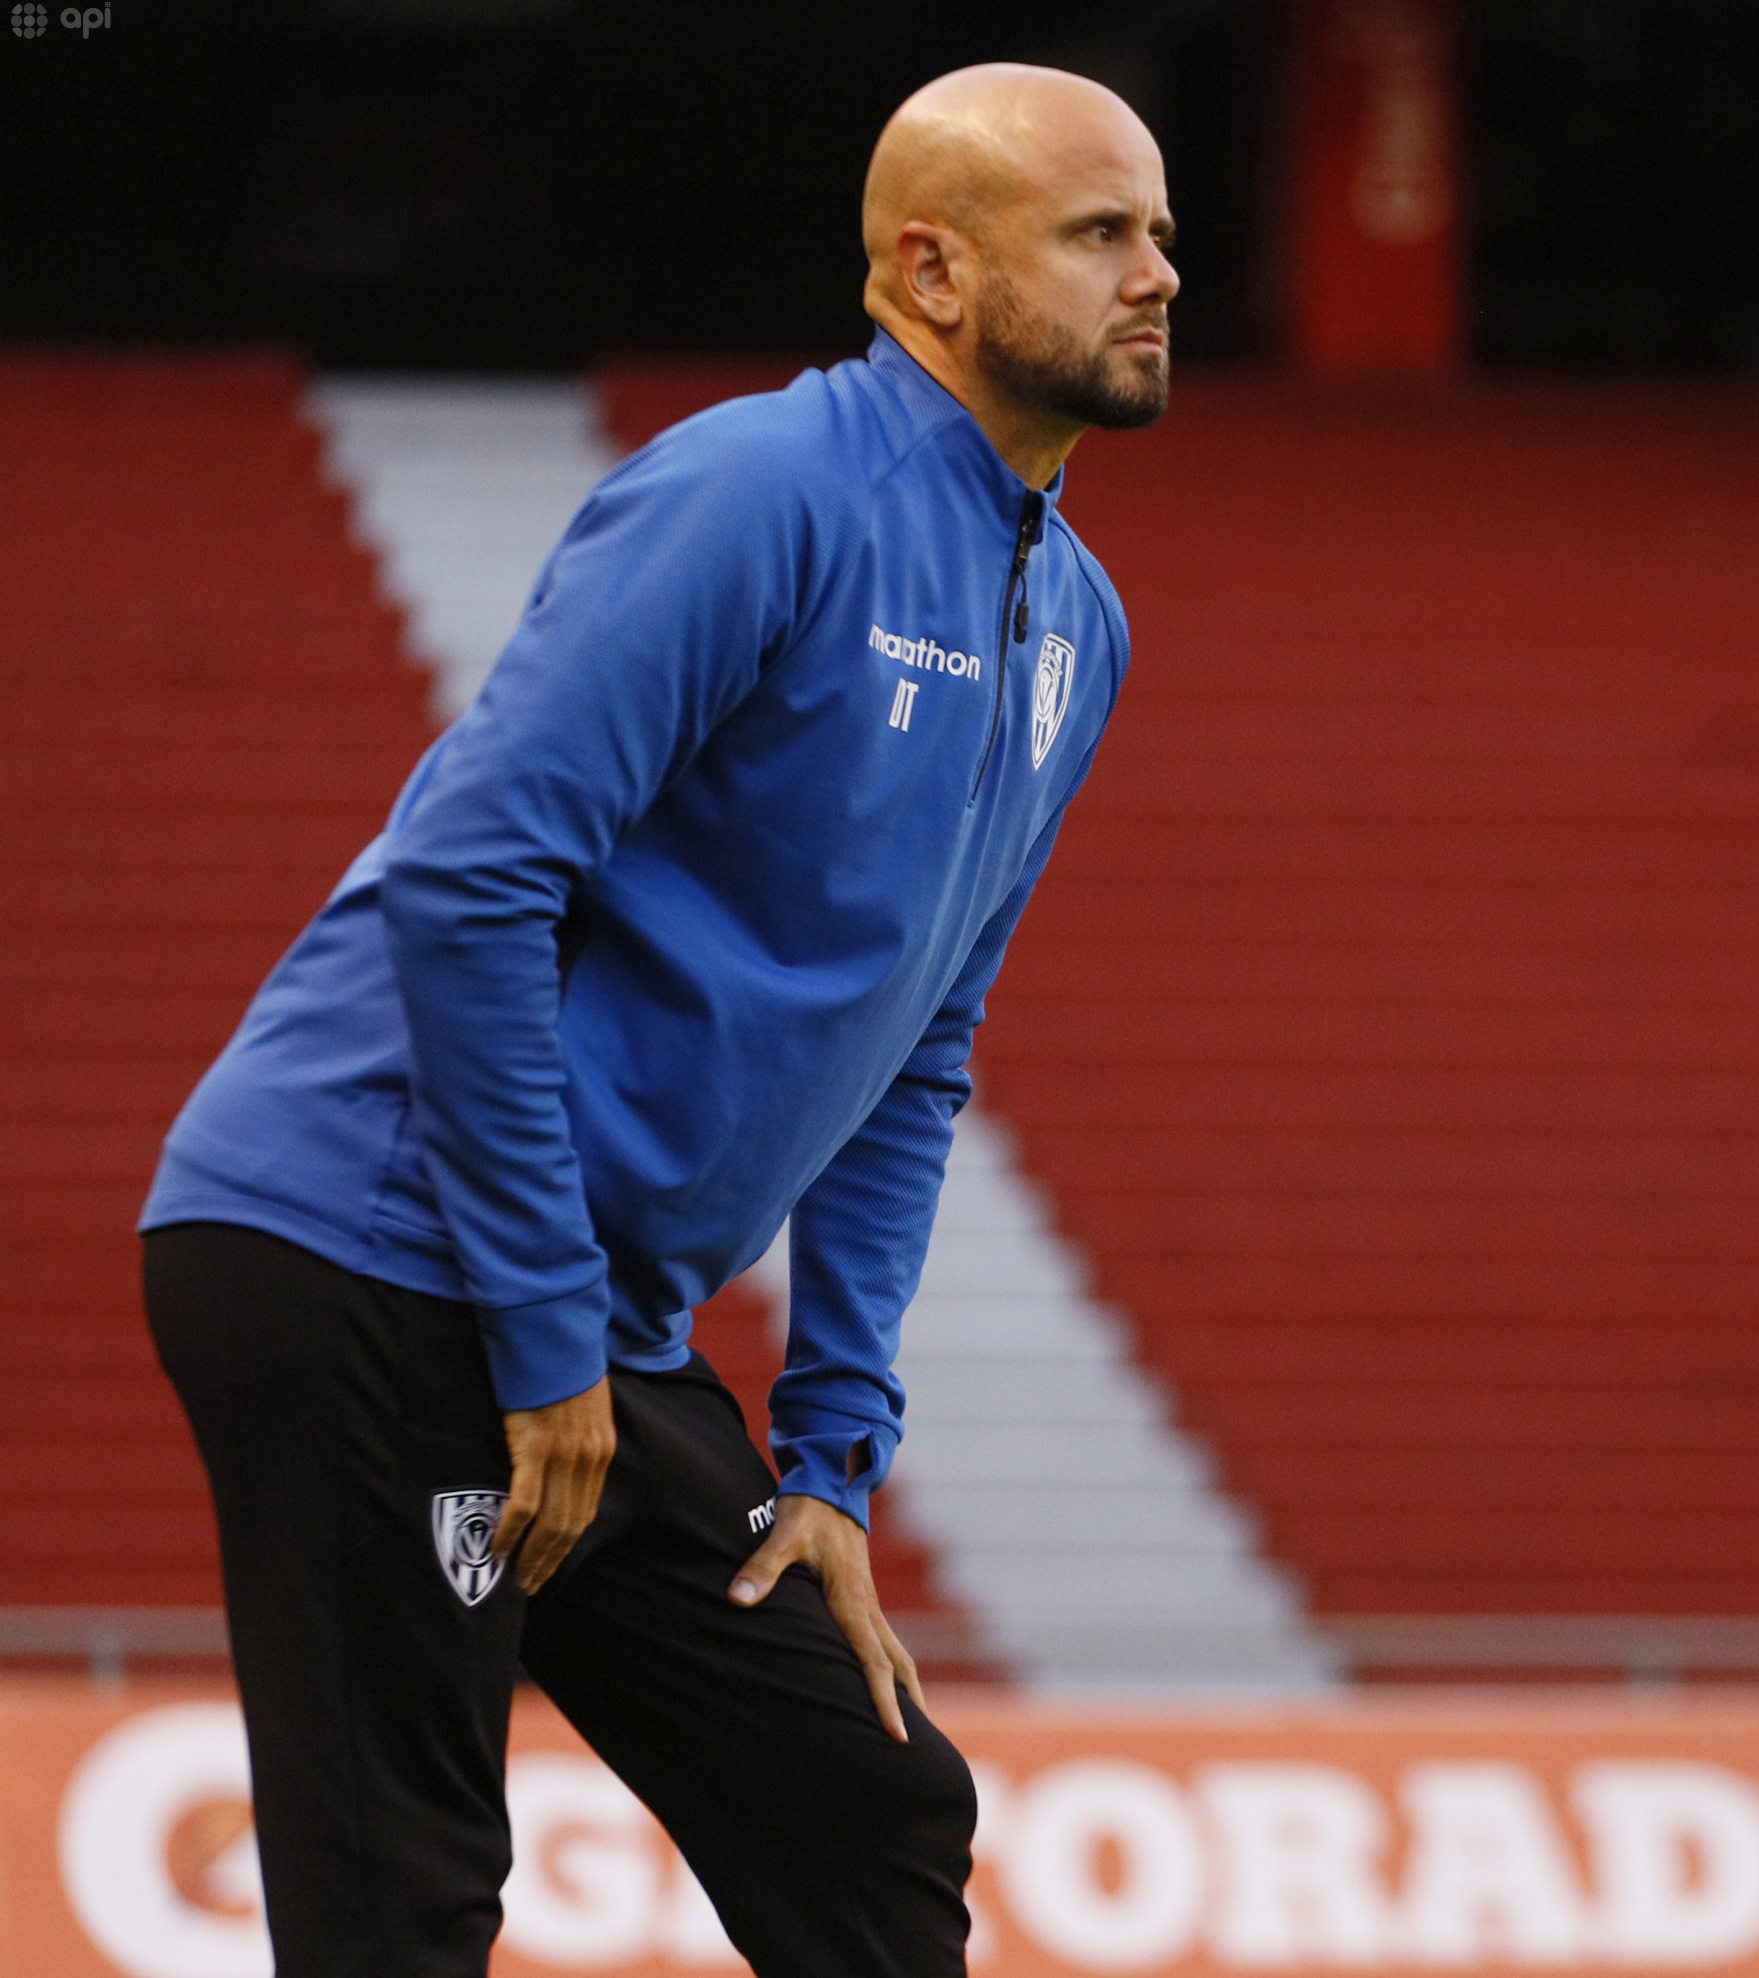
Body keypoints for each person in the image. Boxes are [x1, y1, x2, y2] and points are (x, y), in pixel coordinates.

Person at [136, 62, 1177, 1978]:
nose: (1157, 273)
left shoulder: (1079, 627)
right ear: (932, 271)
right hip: (369, 1241)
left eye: (1162, 232)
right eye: (1100, 231)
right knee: (399, 1904)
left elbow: (916, 1051)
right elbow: (469, 878)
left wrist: (830, 1457)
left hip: (575, 1312)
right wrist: (543, 1335)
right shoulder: (760, 488)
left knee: (865, 1799)